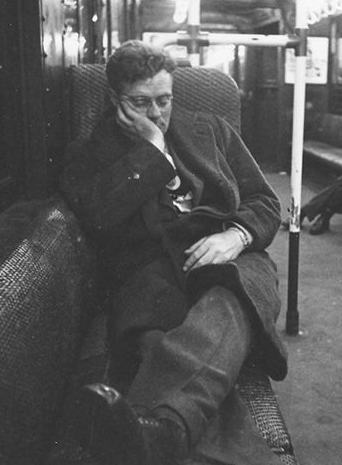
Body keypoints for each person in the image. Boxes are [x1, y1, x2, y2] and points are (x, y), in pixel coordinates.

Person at [60, 40, 287, 464]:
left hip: (231, 261)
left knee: (227, 303)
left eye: (164, 100)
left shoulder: (212, 129)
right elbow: (98, 216)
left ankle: (151, 427)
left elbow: (265, 201)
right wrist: (153, 151)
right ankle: (162, 432)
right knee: (163, 345)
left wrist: (235, 236)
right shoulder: (90, 153)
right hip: (150, 273)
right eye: (141, 102)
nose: (156, 113)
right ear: (114, 99)